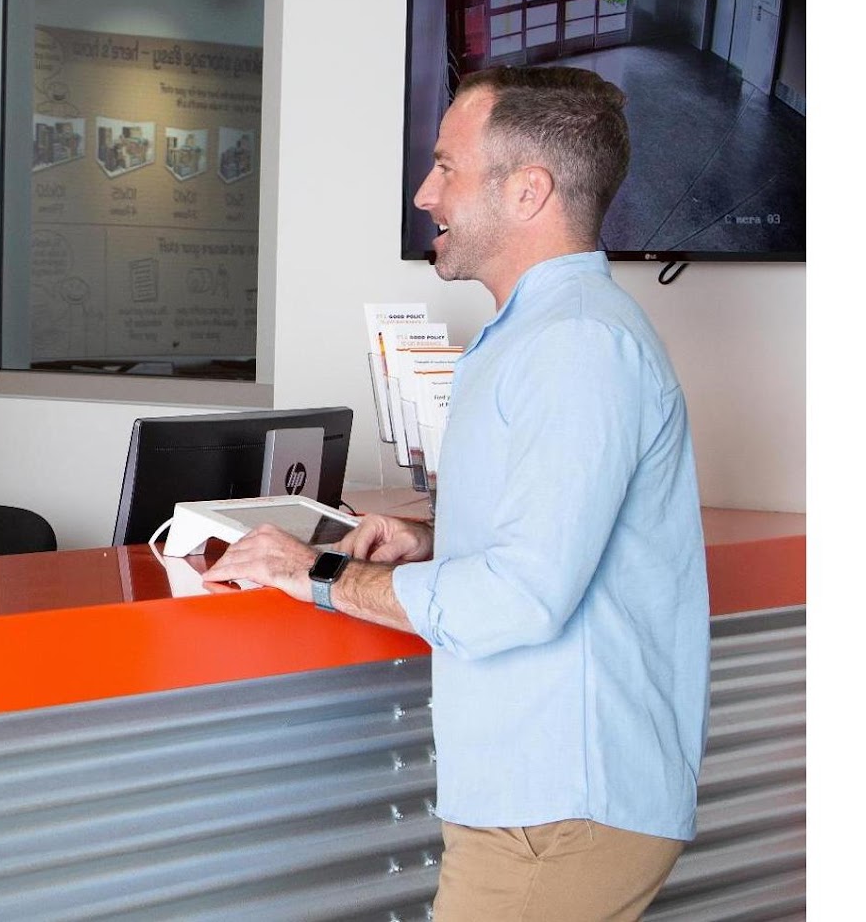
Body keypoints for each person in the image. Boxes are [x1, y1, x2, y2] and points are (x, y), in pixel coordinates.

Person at [204, 67, 706, 921]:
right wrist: (436, 543)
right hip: (537, 805)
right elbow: (554, 541)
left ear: (528, 191)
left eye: (446, 166)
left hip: (558, 811)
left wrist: (317, 573)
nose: (425, 192)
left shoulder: (576, 345)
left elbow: (523, 596)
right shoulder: (536, 335)